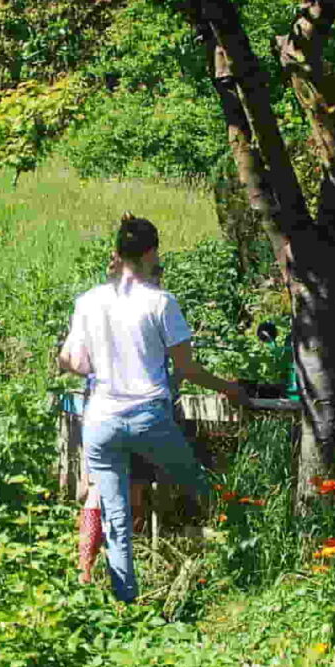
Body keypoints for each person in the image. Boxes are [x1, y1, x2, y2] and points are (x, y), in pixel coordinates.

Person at [57, 215, 248, 602]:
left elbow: (72, 358)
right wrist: (229, 389)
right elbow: (188, 368)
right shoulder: (162, 302)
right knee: (200, 484)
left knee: (116, 519)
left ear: (116, 253)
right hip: (149, 418)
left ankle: (124, 603)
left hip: (101, 420)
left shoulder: (89, 301)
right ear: (151, 253)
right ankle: (240, 559)